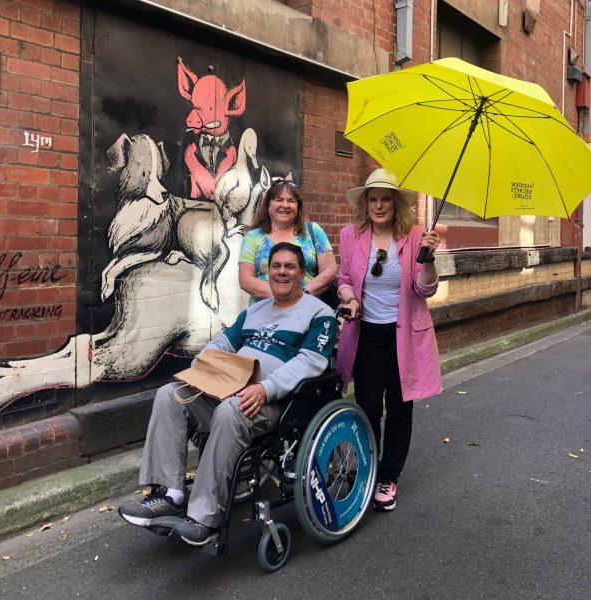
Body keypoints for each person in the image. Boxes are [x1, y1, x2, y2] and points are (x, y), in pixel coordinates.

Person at [119, 242, 336, 545]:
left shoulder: (319, 314)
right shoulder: (255, 311)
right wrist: (204, 368)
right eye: (276, 266)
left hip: (274, 401)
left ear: (301, 274)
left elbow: (310, 362)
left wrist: (265, 388)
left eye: (290, 267)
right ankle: (171, 494)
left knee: (230, 411)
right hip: (230, 388)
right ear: (268, 272)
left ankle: (205, 518)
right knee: (170, 395)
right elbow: (223, 342)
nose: (282, 272)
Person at [336, 168, 442, 513]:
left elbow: (423, 288)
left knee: (399, 407)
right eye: (373, 199)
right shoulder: (351, 235)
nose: (379, 205)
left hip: (404, 336)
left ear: (396, 205)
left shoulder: (414, 237)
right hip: (366, 333)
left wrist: (428, 260)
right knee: (366, 406)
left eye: (385, 199)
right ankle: (367, 468)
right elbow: (344, 277)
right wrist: (350, 297)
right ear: (364, 203)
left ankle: (388, 475)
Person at [239, 179, 337, 303]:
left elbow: (330, 270)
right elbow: (246, 280)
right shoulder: (252, 237)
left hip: (307, 310)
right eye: (279, 200)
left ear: (298, 206)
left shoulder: (313, 231)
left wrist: (302, 295)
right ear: (268, 205)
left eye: (291, 201)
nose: (285, 205)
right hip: (265, 313)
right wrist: (286, 298)